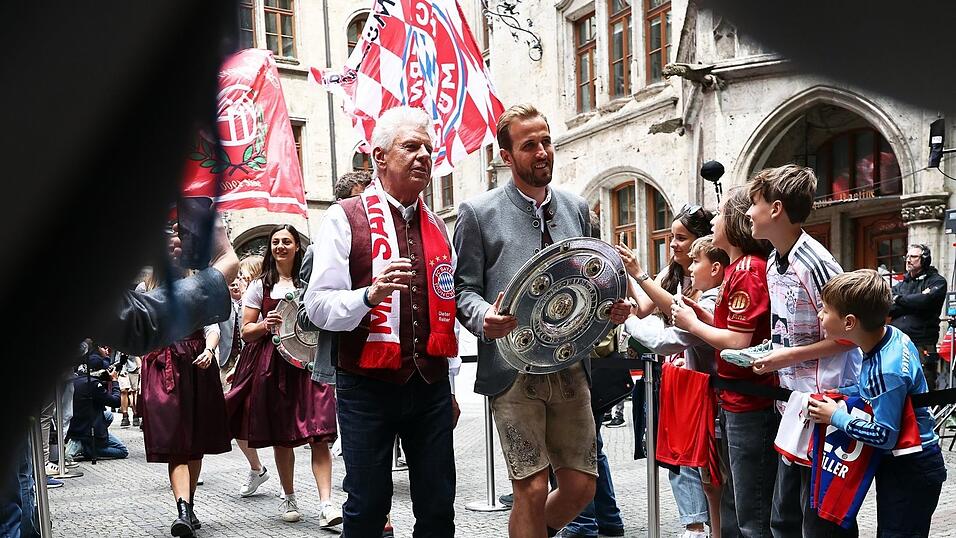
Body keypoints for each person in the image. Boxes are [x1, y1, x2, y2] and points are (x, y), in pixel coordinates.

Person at [454, 103, 629, 538]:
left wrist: (614, 309)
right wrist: (484, 317)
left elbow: (595, 279)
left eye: (546, 141)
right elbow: (463, 290)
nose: (543, 152)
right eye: (529, 145)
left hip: (571, 365)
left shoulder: (576, 208)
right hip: (512, 370)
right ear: (507, 157)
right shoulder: (478, 212)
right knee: (530, 489)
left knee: (581, 488)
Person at [305, 105, 461, 537]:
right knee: (369, 506)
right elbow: (317, 306)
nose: (423, 157)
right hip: (365, 388)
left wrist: (448, 385)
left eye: (428, 149)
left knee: (437, 507)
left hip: (428, 386)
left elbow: (443, 311)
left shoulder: (437, 226)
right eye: (410, 147)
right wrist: (367, 296)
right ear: (379, 157)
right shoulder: (344, 217)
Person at [719, 164, 861, 537]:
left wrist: (784, 357)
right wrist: (770, 353)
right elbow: (787, 333)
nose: (748, 212)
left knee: (822, 519)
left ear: (776, 208)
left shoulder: (816, 263)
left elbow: (851, 335)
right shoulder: (771, 263)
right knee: (784, 520)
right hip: (793, 407)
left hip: (826, 407)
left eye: (755, 203)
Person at [809, 269, 947, 536]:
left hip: (911, 467)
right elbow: (872, 391)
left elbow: (884, 435)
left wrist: (834, 416)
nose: (820, 316)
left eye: (825, 310)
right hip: (911, 466)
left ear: (849, 322)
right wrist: (842, 391)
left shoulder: (887, 369)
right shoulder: (891, 337)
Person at [672, 187, 776, 538]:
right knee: (734, 501)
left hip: (750, 399)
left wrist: (693, 324)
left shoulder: (747, 269)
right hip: (736, 398)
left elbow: (738, 341)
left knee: (750, 506)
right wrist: (701, 314)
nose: (713, 220)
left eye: (719, 214)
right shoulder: (736, 269)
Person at [226, 224, 341, 527]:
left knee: (319, 434)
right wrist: (265, 324)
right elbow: (246, 332)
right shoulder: (260, 286)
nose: (280, 246)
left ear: (296, 247)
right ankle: (288, 496)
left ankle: (327, 504)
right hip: (274, 368)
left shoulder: (313, 282)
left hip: (310, 366)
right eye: (275, 242)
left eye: (286, 241)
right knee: (283, 437)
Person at [615, 205, 715, 538]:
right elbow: (645, 307)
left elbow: (671, 322)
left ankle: (705, 524)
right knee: (676, 452)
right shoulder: (673, 274)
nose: (673, 245)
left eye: (681, 238)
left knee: (702, 457)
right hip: (673, 376)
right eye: (671, 237)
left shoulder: (709, 282)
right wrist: (626, 273)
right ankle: (695, 524)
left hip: (697, 375)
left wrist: (639, 275)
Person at [138, 265, 231, 537]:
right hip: (162, 368)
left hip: (195, 364)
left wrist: (210, 350)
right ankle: (182, 510)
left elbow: (212, 329)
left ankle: (188, 509)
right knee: (177, 443)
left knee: (194, 444)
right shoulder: (147, 290)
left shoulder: (199, 287)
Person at [889, 244, 947, 390]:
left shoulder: (937, 281)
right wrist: (912, 300)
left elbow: (924, 301)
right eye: (907, 257)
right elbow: (889, 308)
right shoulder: (901, 284)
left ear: (925, 259)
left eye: (913, 257)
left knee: (924, 383)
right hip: (898, 342)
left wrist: (899, 299)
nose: (908, 260)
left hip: (922, 342)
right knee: (898, 381)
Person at [65, 347, 129, 461]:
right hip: (86, 429)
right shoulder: (93, 384)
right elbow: (115, 402)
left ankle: (82, 442)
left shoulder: (75, 379)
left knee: (109, 416)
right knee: (122, 450)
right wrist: (114, 381)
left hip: (75, 425)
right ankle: (88, 448)